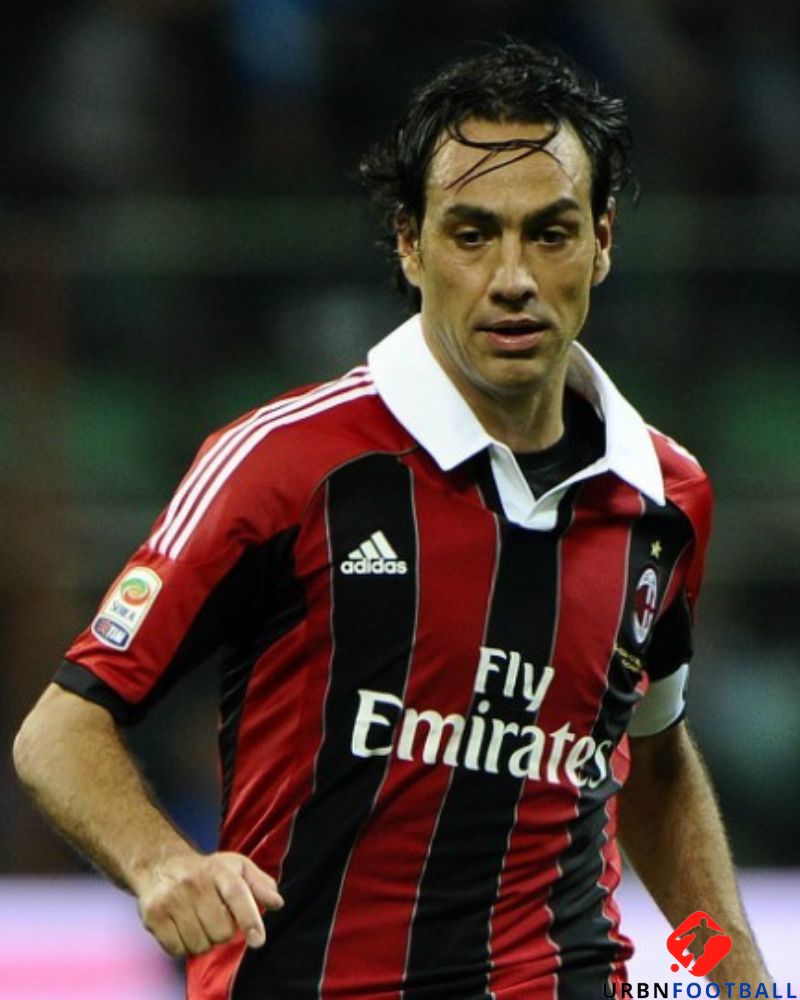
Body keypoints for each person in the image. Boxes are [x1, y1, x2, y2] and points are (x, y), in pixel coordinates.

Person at [13, 40, 770, 1000]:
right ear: (410, 244)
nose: (513, 277)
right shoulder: (285, 465)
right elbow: (59, 731)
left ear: (603, 240)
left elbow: (653, 770)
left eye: (550, 233)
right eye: (472, 234)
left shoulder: (665, 495)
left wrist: (733, 975)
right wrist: (161, 862)